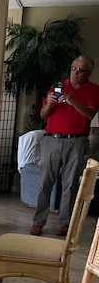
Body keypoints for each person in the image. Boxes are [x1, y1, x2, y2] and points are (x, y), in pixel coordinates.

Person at [30, 56, 99, 237]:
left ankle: (64, 223)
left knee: (70, 184)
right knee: (45, 182)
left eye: (80, 70)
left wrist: (72, 100)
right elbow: (43, 115)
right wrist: (49, 103)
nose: (75, 72)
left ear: (89, 73)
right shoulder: (58, 87)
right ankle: (38, 222)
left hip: (77, 141)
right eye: (73, 68)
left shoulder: (94, 90)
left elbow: (90, 114)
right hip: (52, 139)